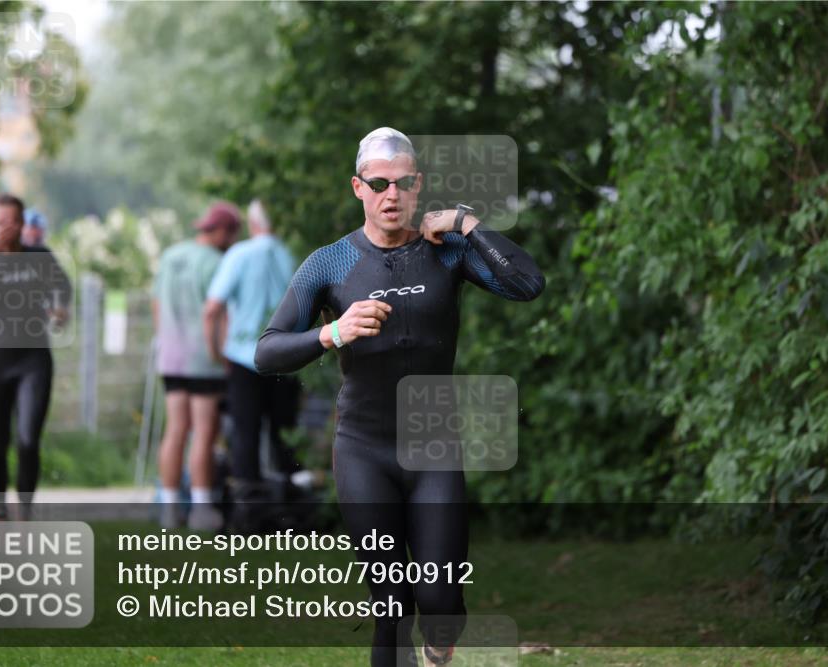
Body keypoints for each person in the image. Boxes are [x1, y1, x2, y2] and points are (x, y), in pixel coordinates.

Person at [255, 128, 544, 667]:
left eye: (403, 182)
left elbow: (527, 284)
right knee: (390, 601)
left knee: (438, 603)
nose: (392, 194)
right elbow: (267, 352)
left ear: (418, 186)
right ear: (358, 188)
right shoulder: (330, 263)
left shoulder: (447, 252)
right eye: (379, 183)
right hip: (364, 448)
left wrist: (465, 223)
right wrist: (333, 332)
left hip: (433, 448)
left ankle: (439, 646)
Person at [0, 193, 73, 519]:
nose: (6, 228)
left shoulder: (40, 256)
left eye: (12, 222)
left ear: (23, 224)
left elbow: (63, 285)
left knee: (27, 439)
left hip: (33, 360)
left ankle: (25, 508)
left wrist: (60, 307)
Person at [203, 200, 310, 494]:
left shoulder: (240, 254)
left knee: (245, 432)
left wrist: (216, 352)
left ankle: (247, 502)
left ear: (253, 224)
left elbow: (212, 308)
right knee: (285, 432)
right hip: (287, 355)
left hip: (242, 356)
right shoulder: (294, 255)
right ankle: (292, 501)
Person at [152, 202, 240, 531]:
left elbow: (157, 302)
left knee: (175, 430)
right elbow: (218, 313)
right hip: (204, 358)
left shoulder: (171, 256)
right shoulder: (217, 262)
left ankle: (169, 510)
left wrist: (165, 340)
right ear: (222, 232)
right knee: (204, 432)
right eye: (232, 234)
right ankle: (202, 510)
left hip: (171, 356)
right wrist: (222, 354)